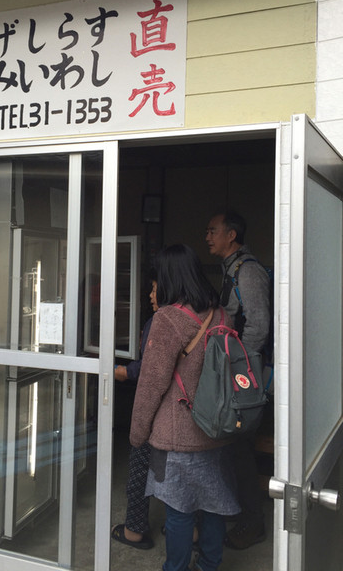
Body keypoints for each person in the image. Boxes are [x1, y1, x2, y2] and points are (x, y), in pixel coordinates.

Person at [130, 245, 239, 571]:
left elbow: (151, 385)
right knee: (214, 506)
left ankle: (175, 568)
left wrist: (138, 433)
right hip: (217, 429)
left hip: (177, 437)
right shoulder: (221, 315)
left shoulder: (167, 319)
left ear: (168, 278)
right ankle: (208, 565)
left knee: (178, 511)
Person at [205, 209, 271, 550]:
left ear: (231, 235)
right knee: (231, 447)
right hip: (235, 371)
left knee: (241, 447)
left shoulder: (249, 271)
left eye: (213, 230)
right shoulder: (230, 268)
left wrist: (237, 367)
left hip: (245, 376)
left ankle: (253, 523)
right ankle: (238, 511)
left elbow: (258, 325)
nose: (207, 236)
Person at [111, 275, 158, 550]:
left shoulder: (162, 322)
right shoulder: (202, 313)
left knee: (140, 467)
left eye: (154, 288)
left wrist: (124, 372)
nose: (150, 295)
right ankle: (192, 531)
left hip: (156, 410)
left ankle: (134, 530)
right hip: (186, 414)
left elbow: (151, 369)